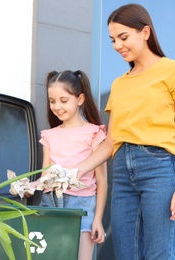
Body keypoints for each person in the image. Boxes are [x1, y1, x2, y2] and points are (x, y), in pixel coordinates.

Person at [72, 3, 175, 260]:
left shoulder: (174, 71)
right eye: (112, 40)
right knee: (126, 253)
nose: (118, 46)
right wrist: (75, 171)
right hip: (122, 172)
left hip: (160, 168)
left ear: (145, 32)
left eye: (123, 37)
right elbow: (112, 141)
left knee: (158, 253)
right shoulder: (119, 85)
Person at [38, 70, 107, 260]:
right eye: (52, 101)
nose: (57, 106)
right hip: (50, 204)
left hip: (82, 206)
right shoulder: (49, 136)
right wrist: (27, 187)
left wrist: (98, 220)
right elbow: (45, 177)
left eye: (63, 100)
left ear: (80, 99)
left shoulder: (94, 133)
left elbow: (102, 181)